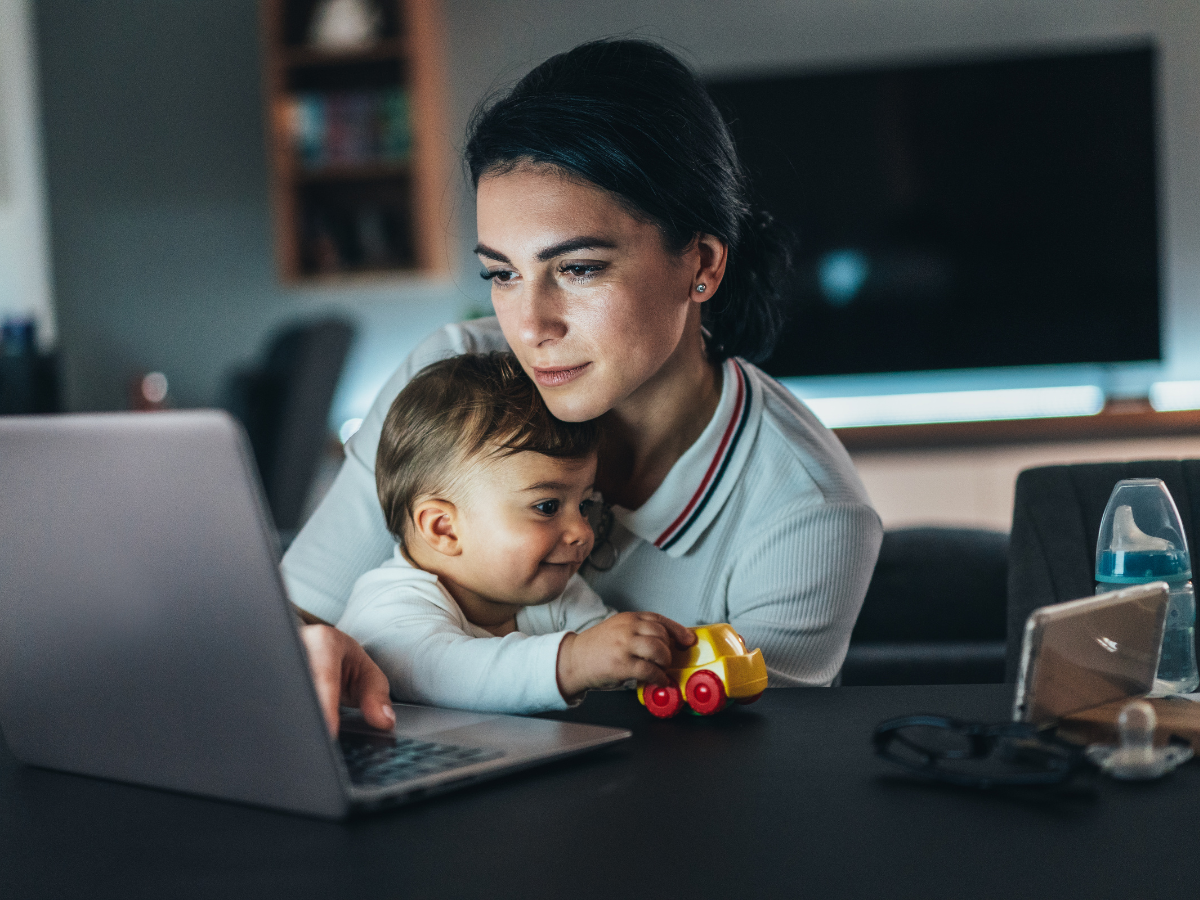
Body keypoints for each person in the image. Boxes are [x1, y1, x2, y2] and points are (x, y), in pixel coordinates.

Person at [285, 38, 883, 734]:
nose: (529, 324)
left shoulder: (809, 515)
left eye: (579, 268)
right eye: (502, 274)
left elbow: (744, 766)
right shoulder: (449, 383)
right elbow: (297, 617)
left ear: (703, 264)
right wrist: (308, 652)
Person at [336, 351, 694, 714]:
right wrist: (574, 660)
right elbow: (442, 671)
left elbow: (607, 656)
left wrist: (656, 657)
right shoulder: (388, 608)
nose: (581, 532)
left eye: (584, 505)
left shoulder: (555, 592)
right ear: (444, 529)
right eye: (547, 507)